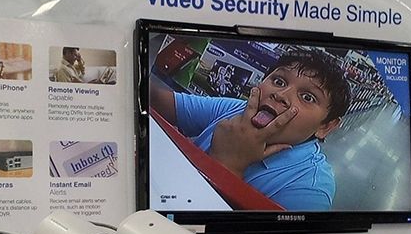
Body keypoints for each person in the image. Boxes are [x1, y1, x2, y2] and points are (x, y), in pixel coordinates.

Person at [151, 47, 352, 211]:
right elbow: (163, 102)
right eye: (279, 81)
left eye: (307, 97)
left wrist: (229, 165)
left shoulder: (310, 190)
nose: (281, 95)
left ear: (326, 126)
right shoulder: (236, 109)